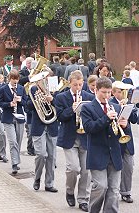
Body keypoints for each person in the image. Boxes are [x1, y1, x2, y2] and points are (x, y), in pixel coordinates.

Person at [81, 77, 128, 213]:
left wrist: (125, 126)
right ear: (96, 90)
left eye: (109, 93)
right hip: (97, 153)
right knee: (101, 187)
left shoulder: (117, 107)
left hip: (114, 154)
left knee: (114, 190)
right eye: (104, 92)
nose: (107, 96)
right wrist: (106, 118)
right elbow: (89, 128)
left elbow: (122, 132)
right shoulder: (87, 108)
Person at [55, 70, 95, 212]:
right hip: (69, 137)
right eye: (75, 85)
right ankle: (70, 191)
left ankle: (83, 199)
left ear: (83, 83)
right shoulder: (61, 98)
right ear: (69, 83)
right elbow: (60, 117)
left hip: (85, 137)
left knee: (86, 171)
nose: (78, 88)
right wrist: (71, 110)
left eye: (80, 84)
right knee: (73, 168)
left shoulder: (89, 97)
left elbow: (93, 116)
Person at [27, 69, 59, 193]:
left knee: (51, 157)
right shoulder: (32, 90)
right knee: (41, 155)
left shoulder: (55, 89)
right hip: (38, 126)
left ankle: (49, 183)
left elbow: (60, 106)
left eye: (46, 77)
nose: (44, 80)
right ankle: (37, 178)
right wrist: (37, 101)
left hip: (52, 125)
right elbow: (27, 105)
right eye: (41, 78)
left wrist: (52, 100)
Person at [110, 82, 138, 204]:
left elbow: (135, 120)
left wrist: (129, 109)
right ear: (114, 92)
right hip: (115, 139)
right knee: (115, 167)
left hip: (127, 139)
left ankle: (126, 192)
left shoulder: (129, 103)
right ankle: (113, 191)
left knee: (129, 167)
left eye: (124, 92)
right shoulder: (110, 103)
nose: (122, 94)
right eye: (120, 91)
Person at [0, 69, 27, 175]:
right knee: (13, 141)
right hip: (8, 118)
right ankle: (14, 163)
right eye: (13, 79)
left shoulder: (21, 88)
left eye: (17, 79)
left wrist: (20, 101)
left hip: (19, 117)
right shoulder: (3, 89)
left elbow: (26, 102)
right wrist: (9, 104)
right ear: (9, 79)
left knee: (18, 141)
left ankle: (16, 159)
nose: (15, 81)